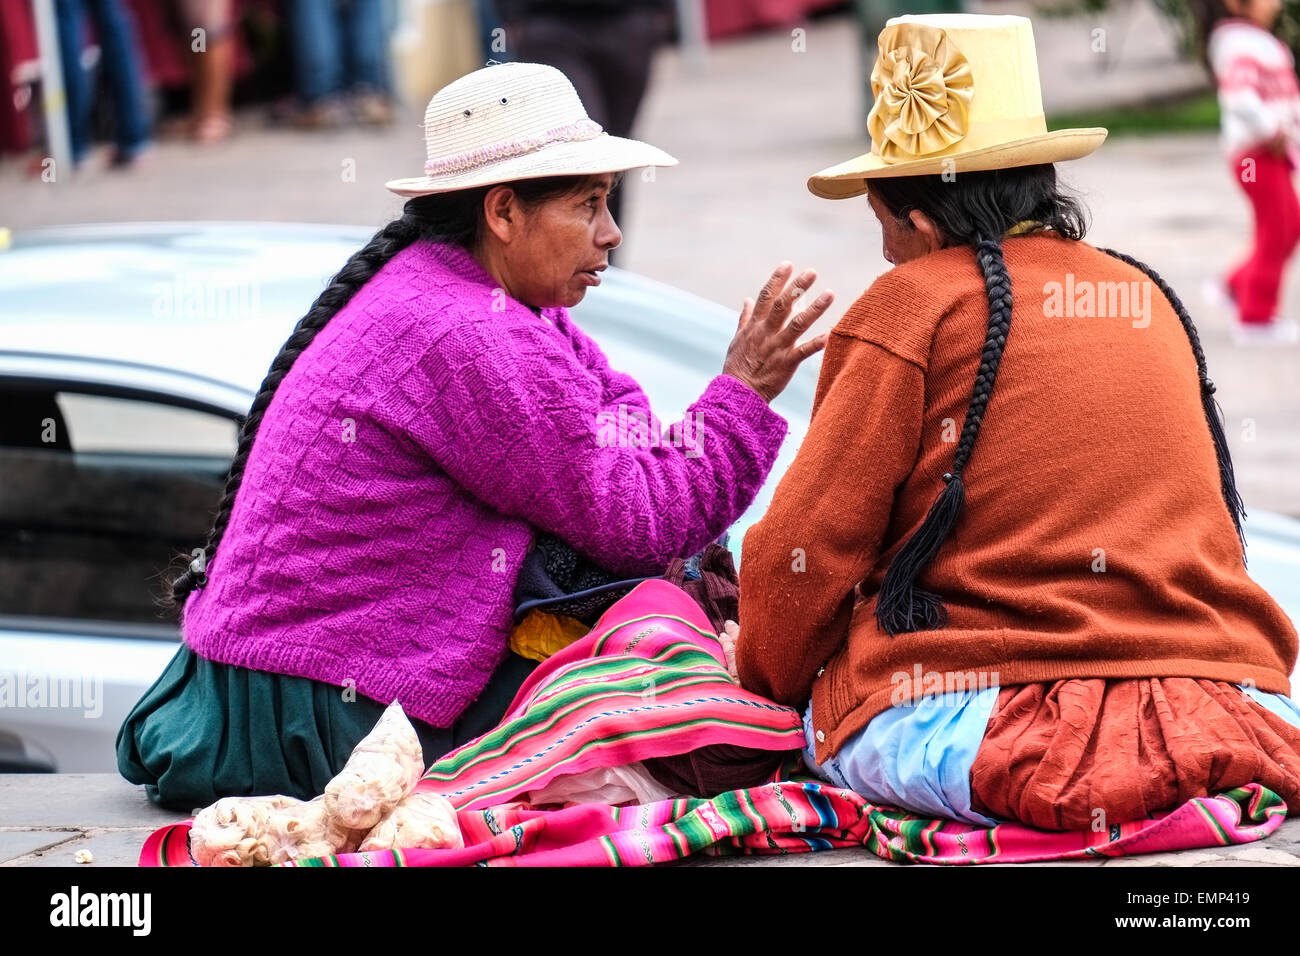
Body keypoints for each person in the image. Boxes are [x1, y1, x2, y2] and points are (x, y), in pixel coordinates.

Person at [117, 61, 832, 810]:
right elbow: (643, 522)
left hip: (300, 682)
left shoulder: (482, 298)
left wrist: (705, 418)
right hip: (316, 710)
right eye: (588, 206)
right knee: (711, 725)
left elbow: (618, 423)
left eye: (609, 204)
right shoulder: (465, 332)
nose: (611, 234)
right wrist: (744, 392)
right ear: (502, 213)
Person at [734, 14, 1300, 831]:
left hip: (980, 718)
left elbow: (805, 557)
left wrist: (762, 677)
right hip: (1222, 693)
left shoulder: (908, 305)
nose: (889, 257)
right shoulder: (1143, 295)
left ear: (919, 220)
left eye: (887, 229)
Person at [1198, 0, 1300, 344]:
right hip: (1255, 157)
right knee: (1278, 229)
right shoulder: (1238, 42)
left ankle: (1233, 285)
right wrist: (1273, 130)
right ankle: (1255, 318)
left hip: (1271, 153)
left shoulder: (1261, 41)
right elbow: (1239, 98)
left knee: (1289, 225)